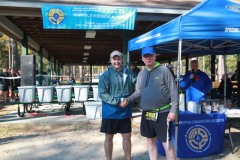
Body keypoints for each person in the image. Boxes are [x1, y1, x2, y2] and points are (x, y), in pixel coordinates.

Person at [122, 47, 178, 160]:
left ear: (155, 56)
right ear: (142, 58)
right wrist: (128, 99)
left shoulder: (164, 70)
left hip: (163, 113)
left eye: (150, 55)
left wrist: (173, 110)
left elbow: (174, 90)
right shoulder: (141, 73)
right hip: (147, 113)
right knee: (150, 140)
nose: (148, 58)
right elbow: (138, 92)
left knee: (166, 143)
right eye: (145, 56)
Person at [98, 50, 136, 160]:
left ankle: (128, 158)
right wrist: (117, 101)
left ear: (122, 60)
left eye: (118, 59)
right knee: (109, 137)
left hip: (125, 112)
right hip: (110, 112)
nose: (117, 61)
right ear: (110, 60)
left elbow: (138, 83)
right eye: (114, 59)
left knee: (127, 136)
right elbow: (102, 93)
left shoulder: (128, 73)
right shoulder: (105, 75)